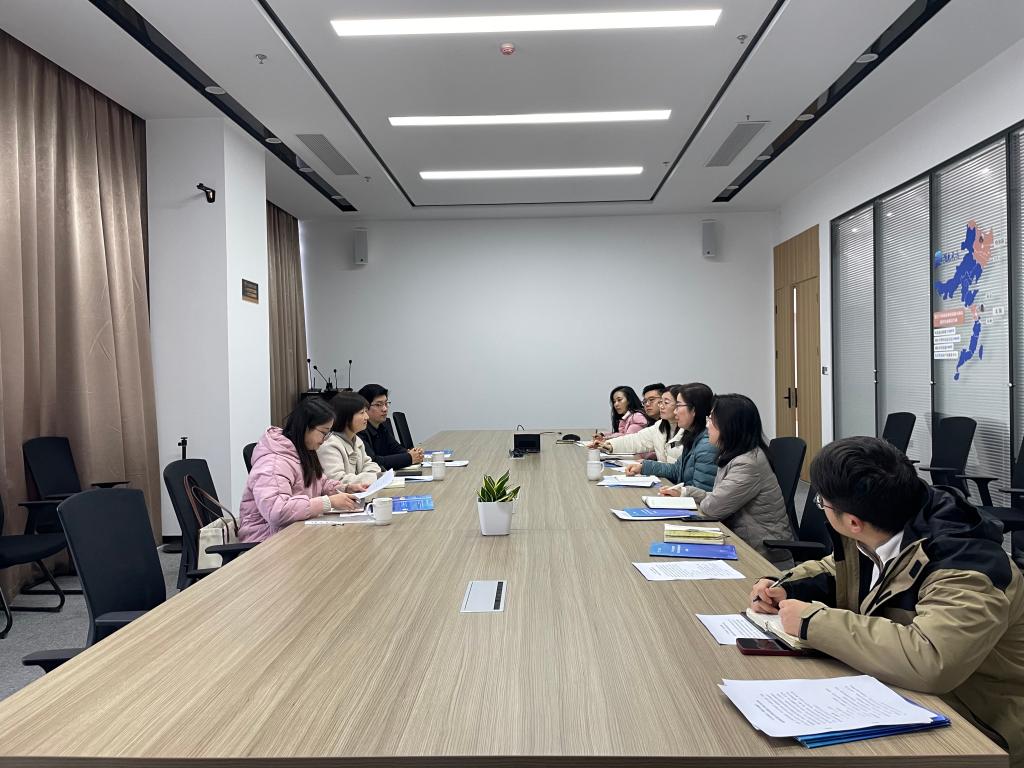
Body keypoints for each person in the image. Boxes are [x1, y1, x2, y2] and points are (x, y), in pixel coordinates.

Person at [749, 437, 1024, 766]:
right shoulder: (886, 520)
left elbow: (932, 660)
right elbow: (841, 569)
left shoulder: (966, 567)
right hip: (903, 697)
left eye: (822, 502)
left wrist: (813, 622)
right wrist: (787, 586)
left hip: (981, 729)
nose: (821, 506)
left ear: (853, 522)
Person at [660, 394, 793, 567]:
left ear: (729, 425)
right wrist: (685, 492)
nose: (707, 425)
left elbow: (712, 508)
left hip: (763, 557)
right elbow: (719, 497)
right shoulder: (735, 455)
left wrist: (693, 496)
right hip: (741, 542)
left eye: (711, 419)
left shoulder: (747, 463)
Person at [239, 398, 360, 542]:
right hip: (265, 541)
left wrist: (345, 489)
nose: (325, 439)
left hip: (294, 531)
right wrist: (328, 502)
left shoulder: (303, 451)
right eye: (323, 432)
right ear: (305, 427)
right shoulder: (273, 463)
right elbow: (277, 511)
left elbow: (320, 484)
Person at [627, 382, 717, 491]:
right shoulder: (693, 436)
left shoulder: (707, 445)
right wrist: (644, 467)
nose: (675, 411)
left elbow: (702, 493)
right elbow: (677, 470)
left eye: (678, 406)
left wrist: (681, 493)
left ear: (694, 409)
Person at [592, 385, 685, 462]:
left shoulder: (687, 429)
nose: (661, 406)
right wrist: (610, 445)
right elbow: (636, 440)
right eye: (660, 402)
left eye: (666, 402)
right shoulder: (660, 426)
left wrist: (648, 466)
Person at [319, 392, 382, 486]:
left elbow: (370, 465)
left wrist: (370, 476)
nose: (367, 417)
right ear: (346, 417)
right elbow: (338, 481)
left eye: (366, 412)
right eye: (362, 413)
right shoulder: (329, 444)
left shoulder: (356, 440)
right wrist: (373, 477)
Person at [356, 384, 424, 469]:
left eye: (386, 403)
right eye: (378, 405)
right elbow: (373, 462)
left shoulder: (381, 427)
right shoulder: (359, 430)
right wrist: (409, 457)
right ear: (364, 407)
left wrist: (413, 453)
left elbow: (396, 449)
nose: (385, 409)